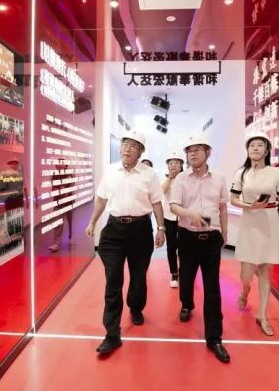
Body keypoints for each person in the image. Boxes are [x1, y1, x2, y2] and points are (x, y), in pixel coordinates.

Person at [85, 130, 166, 356]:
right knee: (113, 280)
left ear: (140, 152)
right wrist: (92, 222)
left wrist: (161, 229)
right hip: (113, 231)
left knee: (138, 277)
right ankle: (112, 334)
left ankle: (136, 307)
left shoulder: (149, 174)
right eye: (125, 144)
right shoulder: (111, 171)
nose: (127, 149)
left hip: (141, 231)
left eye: (133, 146)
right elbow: (101, 199)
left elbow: (157, 203)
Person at [170, 134, 230, 364]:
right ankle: (187, 304)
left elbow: (222, 207)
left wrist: (224, 232)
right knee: (186, 278)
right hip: (187, 237)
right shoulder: (181, 179)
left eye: (197, 149)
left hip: (211, 238)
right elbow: (173, 206)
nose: (192, 153)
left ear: (208, 152)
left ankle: (214, 338)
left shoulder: (219, 178)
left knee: (212, 287)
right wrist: (189, 214)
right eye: (189, 150)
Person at [230, 132, 279, 337]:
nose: (255, 148)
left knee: (265, 270)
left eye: (259, 145)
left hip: (270, 222)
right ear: (247, 150)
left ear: (266, 150)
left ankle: (262, 315)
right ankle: (245, 290)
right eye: (252, 145)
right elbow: (233, 199)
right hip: (249, 222)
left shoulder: (276, 173)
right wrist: (250, 206)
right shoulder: (241, 173)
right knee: (246, 273)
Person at [162, 150, 185, 288]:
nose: (173, 165)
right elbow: (161, 191)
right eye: (170, 163)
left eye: (176, 162)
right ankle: (174, 273)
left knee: (184, 247)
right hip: (169, 217)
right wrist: (170, 178)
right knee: (171, 246)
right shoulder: (166, 179)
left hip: (183, 218)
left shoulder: (187, 178)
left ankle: (184, 271)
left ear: (181, 165)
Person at [49, 157, 75, 252]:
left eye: (61, 163)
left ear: (65, 165)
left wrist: (64, 191)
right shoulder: (54, 175)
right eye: (58, 163)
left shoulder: (70, 174)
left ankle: (70, 235)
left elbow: (71, 187)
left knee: (70, 220)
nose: (59, 164)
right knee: (57, 222)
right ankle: (57, 244)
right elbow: (53, 188)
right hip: (58, 202)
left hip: (68, 202)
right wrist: (59, 190)